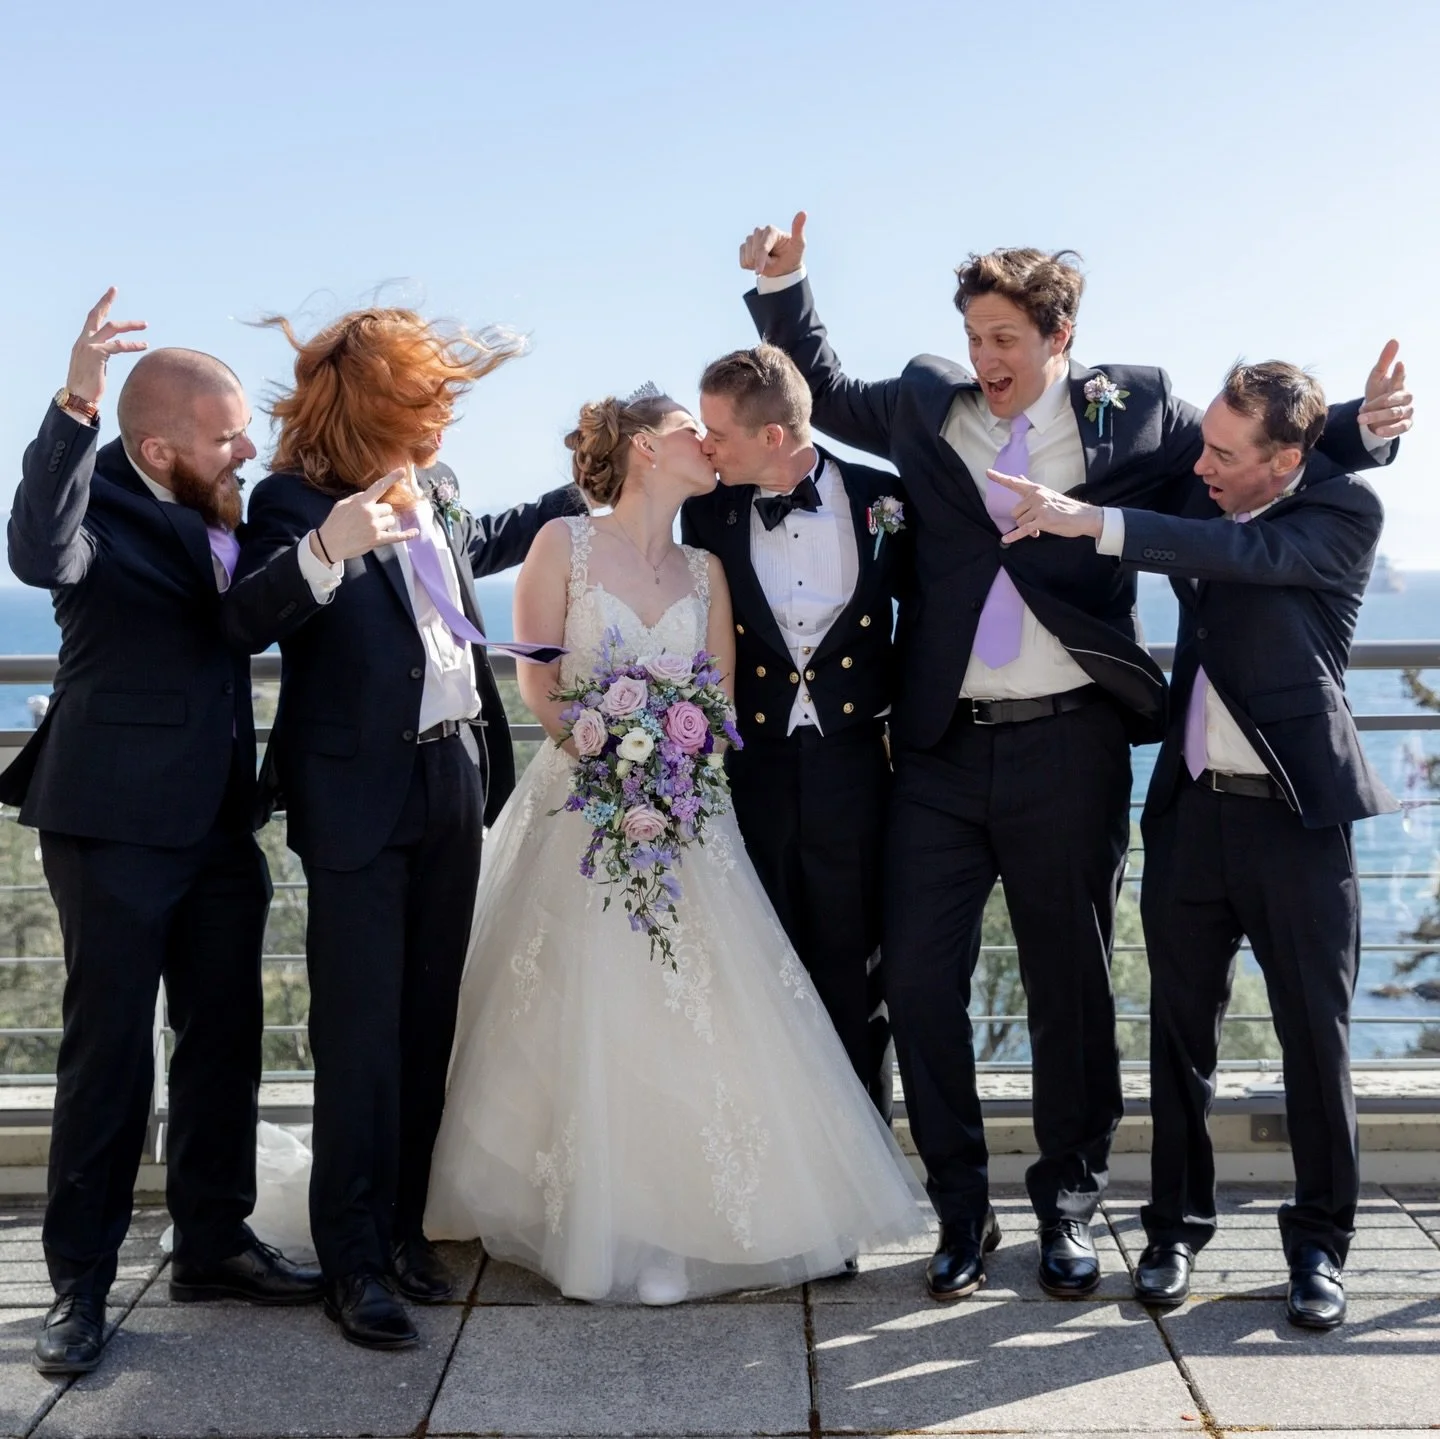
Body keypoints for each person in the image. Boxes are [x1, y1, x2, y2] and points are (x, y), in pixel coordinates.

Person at [738, 213, 1410, 1301]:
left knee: (1071, 988)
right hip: (942, 751)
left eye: (1005, 337)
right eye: (973, 333)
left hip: (1073, 742)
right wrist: (786, 285)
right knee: (915, 980)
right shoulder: (926, 403)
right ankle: (959, 1211)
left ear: (1059, 336)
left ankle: (1065, 1207)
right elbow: (820, 383)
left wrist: (1359, 431)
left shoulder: (1136, 411)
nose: (985, 358)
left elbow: (1244, 466)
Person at [421, 387, 926, 1304]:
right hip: (585, 807)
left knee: (699, 1008)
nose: (708, 441)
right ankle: (594, 1215)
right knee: (587, 1004)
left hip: (689, 814)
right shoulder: (560, 545)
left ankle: (685, 1217)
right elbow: (536, 683)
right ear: (648, 449)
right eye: (691, 431)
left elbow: (720, 699)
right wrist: (609, 762)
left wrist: (673, 763)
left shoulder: (704, 569)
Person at [989, 360, 1398, 1331]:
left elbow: (1240, 555)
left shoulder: (1344, 517)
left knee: (1316, 1044)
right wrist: (1355, 419)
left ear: (1285, 458)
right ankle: (1173, 1228)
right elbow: (1209, 496)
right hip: (1190, 812)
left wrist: (1085, 520)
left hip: (1298, 820)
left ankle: (1319, 1250)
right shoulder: (1212, 483)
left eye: (1223, 451)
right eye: (1203, 443)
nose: (1201, 464)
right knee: (1177, 1042)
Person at [222, 308, 584, 1349]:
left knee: (430, 1023)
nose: (442, 420)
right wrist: (328, 549)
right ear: (376, 403)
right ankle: (353, 1261)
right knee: (360, 1036)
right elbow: (246, 616)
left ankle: (405, 1227)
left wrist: (590, 477)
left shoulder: (438, 490)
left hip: (454, 781)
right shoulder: (290, 501)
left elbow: (487, 542)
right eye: (425, 401)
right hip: (355, 801)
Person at [3, 291, 322, 1379]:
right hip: (111, 823)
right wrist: (71, 402)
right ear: (155, 444)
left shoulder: (226, 507)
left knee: (223, 1037)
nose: (248, 448)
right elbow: (36, 549)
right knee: (108, 1063)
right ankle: (80, 1287)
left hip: (220, 823)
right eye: (228, 433)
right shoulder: (95, 504)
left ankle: (214, 1239)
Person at [682, 344, 908, 1118]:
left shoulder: (886, 499)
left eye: (717, 432)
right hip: (757, 770)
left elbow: (939, 615)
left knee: (857, 975)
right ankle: (780, 1166)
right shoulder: (705, 511)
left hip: (857, 769)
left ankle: (865, 1169)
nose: (705, 446)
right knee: (765, 967)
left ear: (773, 436)